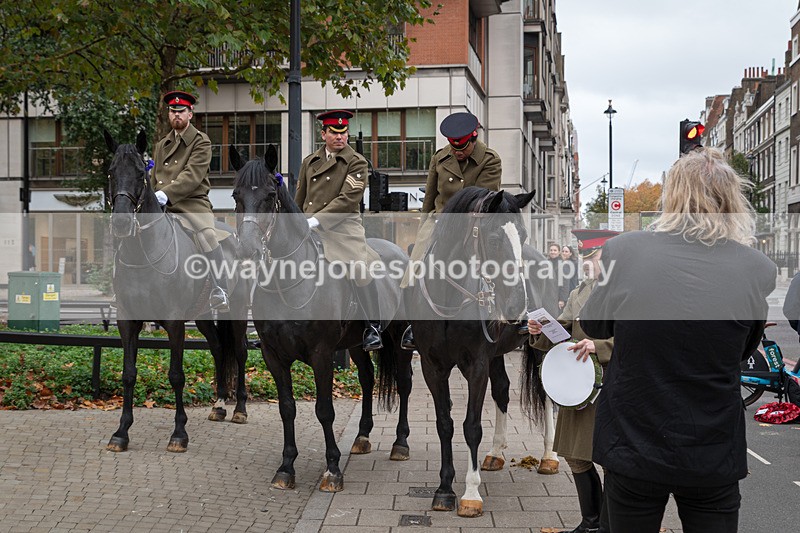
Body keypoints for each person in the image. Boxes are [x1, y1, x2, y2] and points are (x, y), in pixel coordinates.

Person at [580, 148, 776, 533]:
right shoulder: (757, 268)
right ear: (731, 200)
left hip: (634, 439)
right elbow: (744, 348)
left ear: (671, 198)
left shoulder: (624, 250)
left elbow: (595, 325)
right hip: (711, 446)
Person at [528, 229, 618, 533]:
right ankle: (591, 522)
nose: (586, 262)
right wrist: (540, 329)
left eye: (592, 256)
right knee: (574, 455)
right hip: (577, 384)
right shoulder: (582, 289)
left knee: (610, 458)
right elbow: (564, 332)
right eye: (584, 256)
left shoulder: (622, 290)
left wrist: (600, 346)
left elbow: (641, 337)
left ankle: (609, 524)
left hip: (609, 384)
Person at [401, 111, 502, 349]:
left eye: (463, 148)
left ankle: (504, 311)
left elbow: (486, 198)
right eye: (453, 147)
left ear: (473, 138)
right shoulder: (440, 158)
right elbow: (430, 197)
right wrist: (424, 225)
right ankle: (413, 326)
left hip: (474, 223)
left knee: (498, 262)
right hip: (438, 222)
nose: (457, 152)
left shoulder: (490, 159)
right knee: (412, 271)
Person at [295, 110, 383, 351]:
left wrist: (316, 220)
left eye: (343, 133)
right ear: (323, 134)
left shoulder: (356, 161)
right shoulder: (310, 162)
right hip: (308, 227)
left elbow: (348, 199)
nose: (339, 137)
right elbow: (299, 198)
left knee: (359, 268)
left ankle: (372, 326)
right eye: (334, 132)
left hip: (343, 228)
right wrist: (296, 222)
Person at [152, 90, 229, 312]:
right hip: (160, 204)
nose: (177, 115)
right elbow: (153, 176)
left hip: (192, 203)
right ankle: (124, 290)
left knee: (207, 235)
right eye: (173, 111)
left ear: (190, 113)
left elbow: (192, 175)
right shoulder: (162, 144)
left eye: (181, 111)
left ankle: (219, 288)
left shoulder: (200, 141)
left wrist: (166, 193)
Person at [558, 244, 579, 310]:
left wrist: (562, 299)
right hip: (572, 292)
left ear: (570, 253)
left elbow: (565, 281)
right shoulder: (570, 262)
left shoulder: (568, 264)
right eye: (563, 251)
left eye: (566, 252)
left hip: (567, 293)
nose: (564, 253)